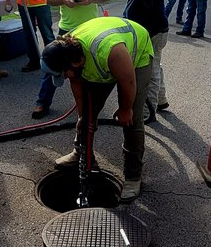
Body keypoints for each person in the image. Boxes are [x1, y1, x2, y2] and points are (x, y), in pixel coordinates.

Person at [40, 16, 154, 201]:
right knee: (85, 118)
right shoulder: (69, 51)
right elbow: (76, 83)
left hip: (134, 55)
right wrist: (83, 117)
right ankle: (81, 154)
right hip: (100, 63)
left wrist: (125, 109)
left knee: (131, 121)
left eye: (65, 73)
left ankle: (133, 177)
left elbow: (128, 81)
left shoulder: (109, 51)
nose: (66, 77)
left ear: (75, 63)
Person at [31, 0, 111, 119]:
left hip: (91, 29)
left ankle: (90, 104)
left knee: (91, 66)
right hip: (66, 29)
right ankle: (42, 102)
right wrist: (63, 0)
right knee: (53, 63)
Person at [119, 0, 169, 122]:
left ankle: (149, 111)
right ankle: (161, 100)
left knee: (151, 69)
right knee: (155, 65)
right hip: (143, 31)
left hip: (154, 32)